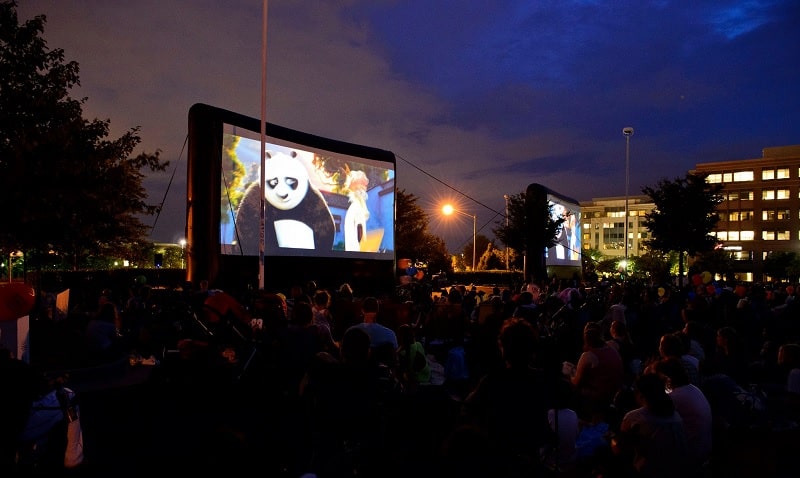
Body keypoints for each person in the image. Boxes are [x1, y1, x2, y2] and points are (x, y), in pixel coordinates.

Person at [460, 317, 557, 477]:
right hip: (529, 455)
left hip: (499, 455)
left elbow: (468, 409)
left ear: (503, 348)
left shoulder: (493, 380)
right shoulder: (543, 380)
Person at [610, 372, 689, 478]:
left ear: (640, 395)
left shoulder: (635, 417)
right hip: (678, 471)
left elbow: (619, 449)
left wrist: (612, 440)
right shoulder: (676, 416)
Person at [652, 357, 713, 471]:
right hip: (704, 447)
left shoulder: (675, 397)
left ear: (667, 378)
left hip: (692, 452)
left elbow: (655, 419)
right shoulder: (692, 389)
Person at [567, 321, 624, 423]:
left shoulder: (589, 356)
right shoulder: (612, 349)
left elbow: (576, 382)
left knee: (569, 386)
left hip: (599, 397)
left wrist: (569, 373)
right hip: (613, 392)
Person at [396, 323, 431, 388]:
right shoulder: (419, 344)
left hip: (416, 379)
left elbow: (403, 370)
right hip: (427, 374)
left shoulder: (401, 353)